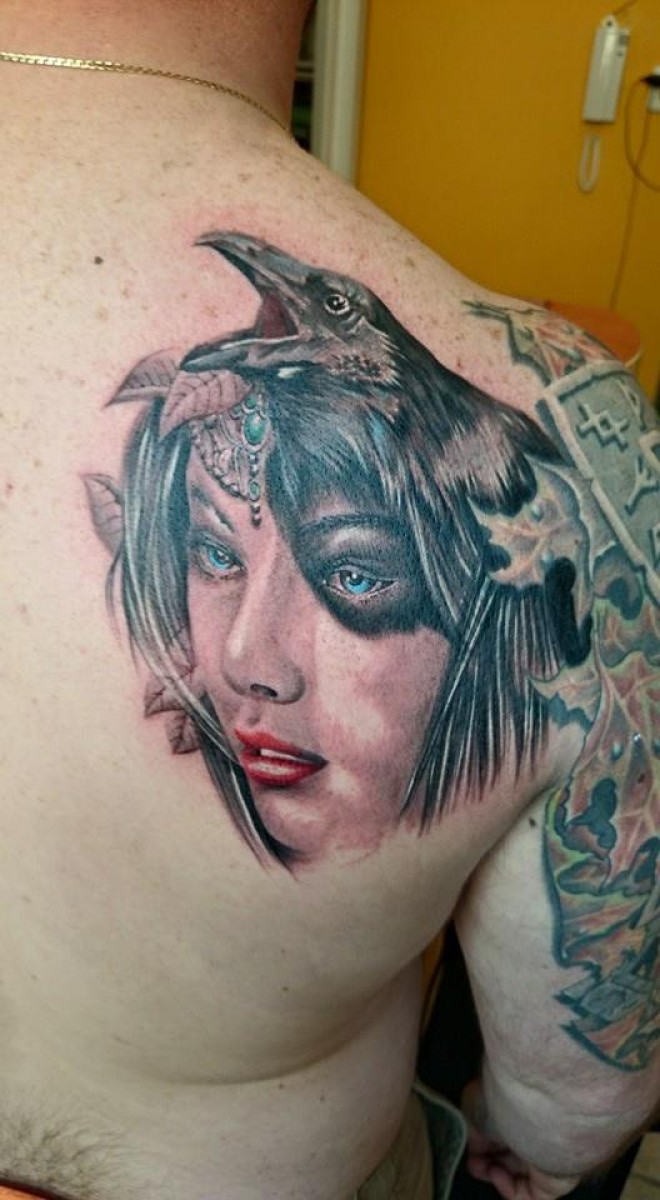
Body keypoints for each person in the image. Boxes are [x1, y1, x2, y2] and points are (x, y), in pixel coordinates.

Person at [0, 4, 657, 1199]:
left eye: (355, 578)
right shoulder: (588, 453)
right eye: (210, 554)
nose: (250, 662)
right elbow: (572, 1115)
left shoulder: (533, 470)